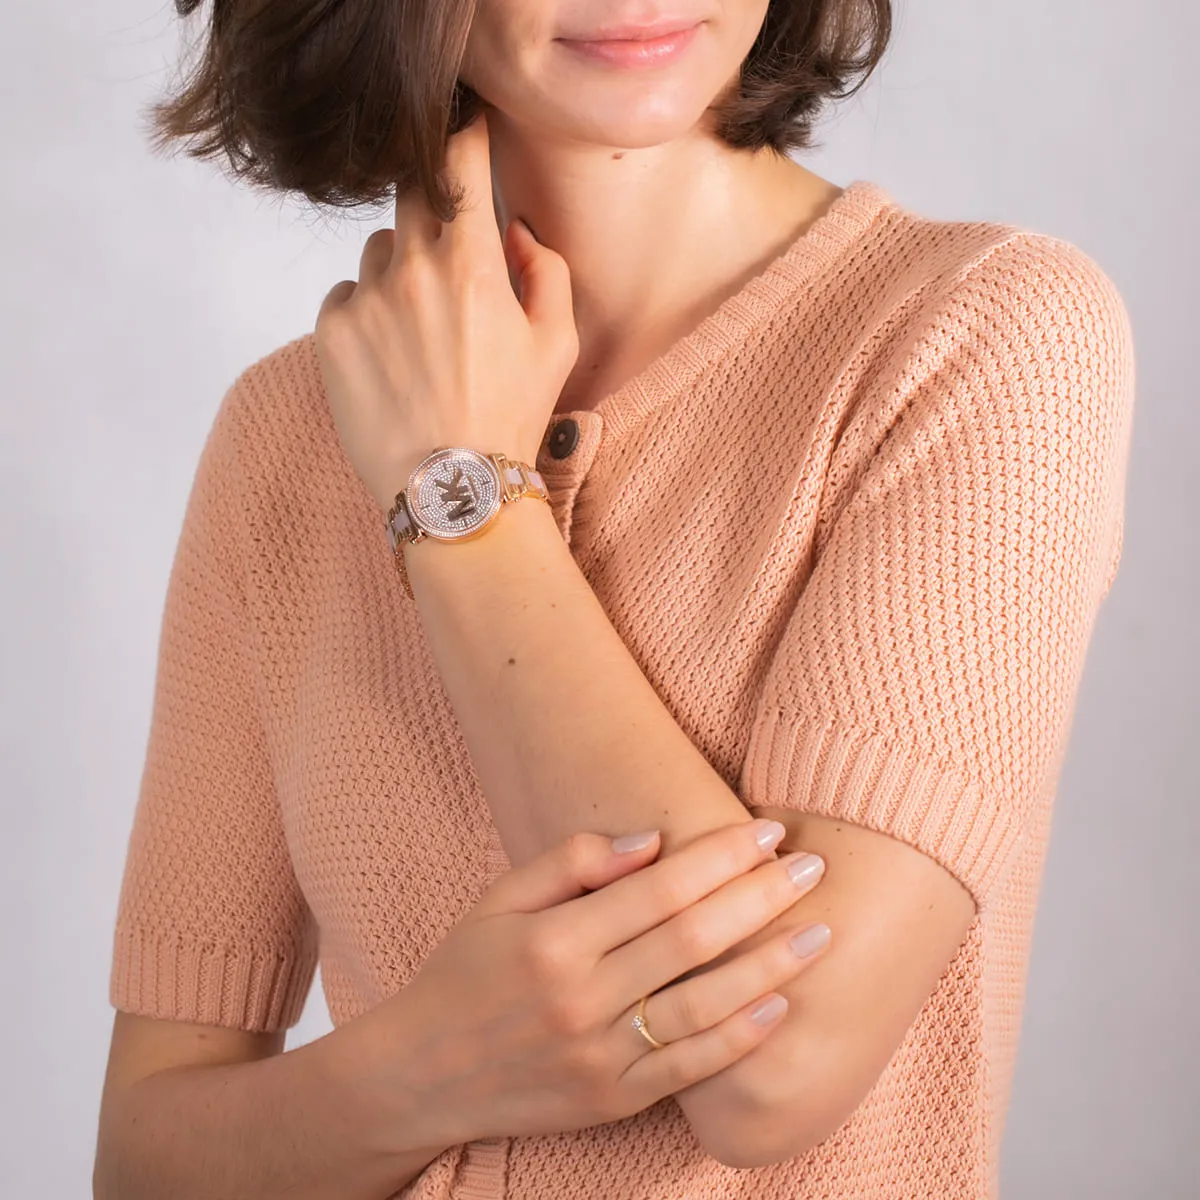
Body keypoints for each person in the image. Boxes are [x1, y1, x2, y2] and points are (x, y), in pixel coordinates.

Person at [93, 1, 1136, 1198]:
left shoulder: (980, 338)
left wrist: (457, 492)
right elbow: (145, 1164)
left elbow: (773, 1066)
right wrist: (424, 1068)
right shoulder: (281, 437)